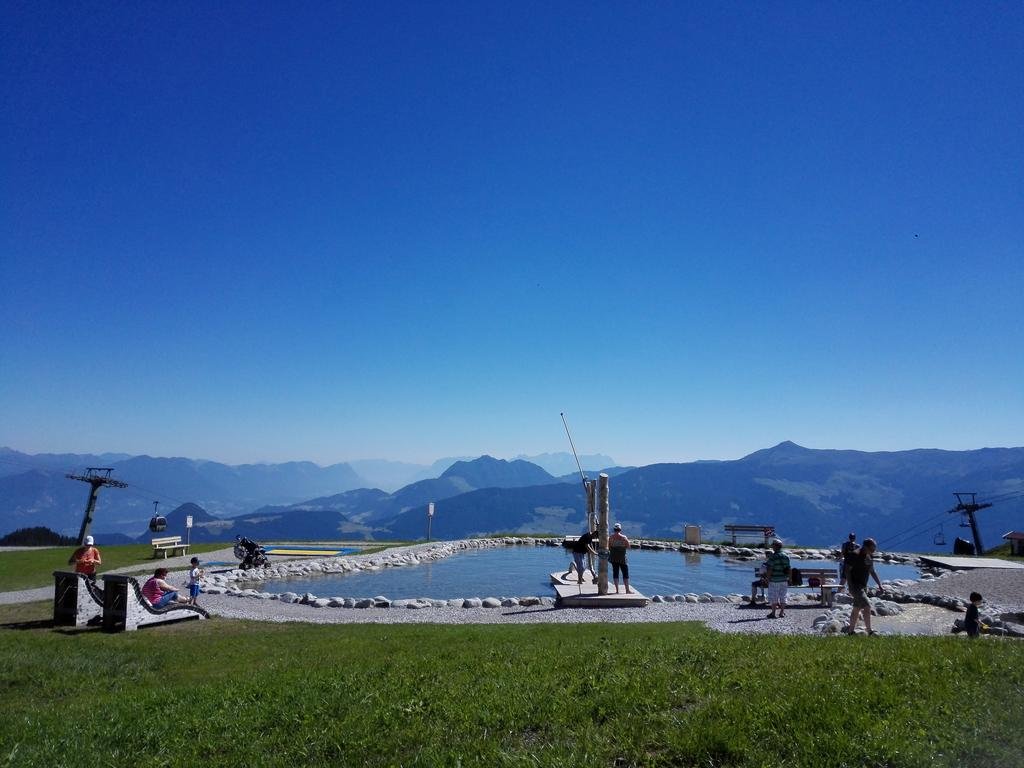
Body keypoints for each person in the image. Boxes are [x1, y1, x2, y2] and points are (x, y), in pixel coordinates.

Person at [846, 537, 884, 635]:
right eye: (872, 548)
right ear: (866, 547)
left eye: (874, 548)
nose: (874, 550)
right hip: (855, 586)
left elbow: (872, 571)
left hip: (863, 586)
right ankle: (869, 631)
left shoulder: (869, 556)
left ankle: (850, 632)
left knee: (856, 608)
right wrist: (850, 586)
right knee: (867, 606)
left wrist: (879, 584)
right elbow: (847, 570)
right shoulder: (855, 554)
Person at [765, 539, 791, 619]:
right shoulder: (786, 556)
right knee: (783, 596)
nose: (772, 546)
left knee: (774, 596)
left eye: (773, 545)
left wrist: (768, 579)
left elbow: (769, 569)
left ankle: (773, 613)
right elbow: (789, 568)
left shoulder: (773, 557)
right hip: (784, 579)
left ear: (775, 546)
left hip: (774, 579)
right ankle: (782, 612)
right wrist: (790, 579)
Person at [608, 523, 632, 594]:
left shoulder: (611, 537)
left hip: (614, 558)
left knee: (615, 573)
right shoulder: (624, 537)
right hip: (622, 558)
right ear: (620, 529)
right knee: (625, 574)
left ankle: (617, 590)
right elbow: (628, 546)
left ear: (614, 529)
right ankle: (627, 590)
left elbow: (609, 546)